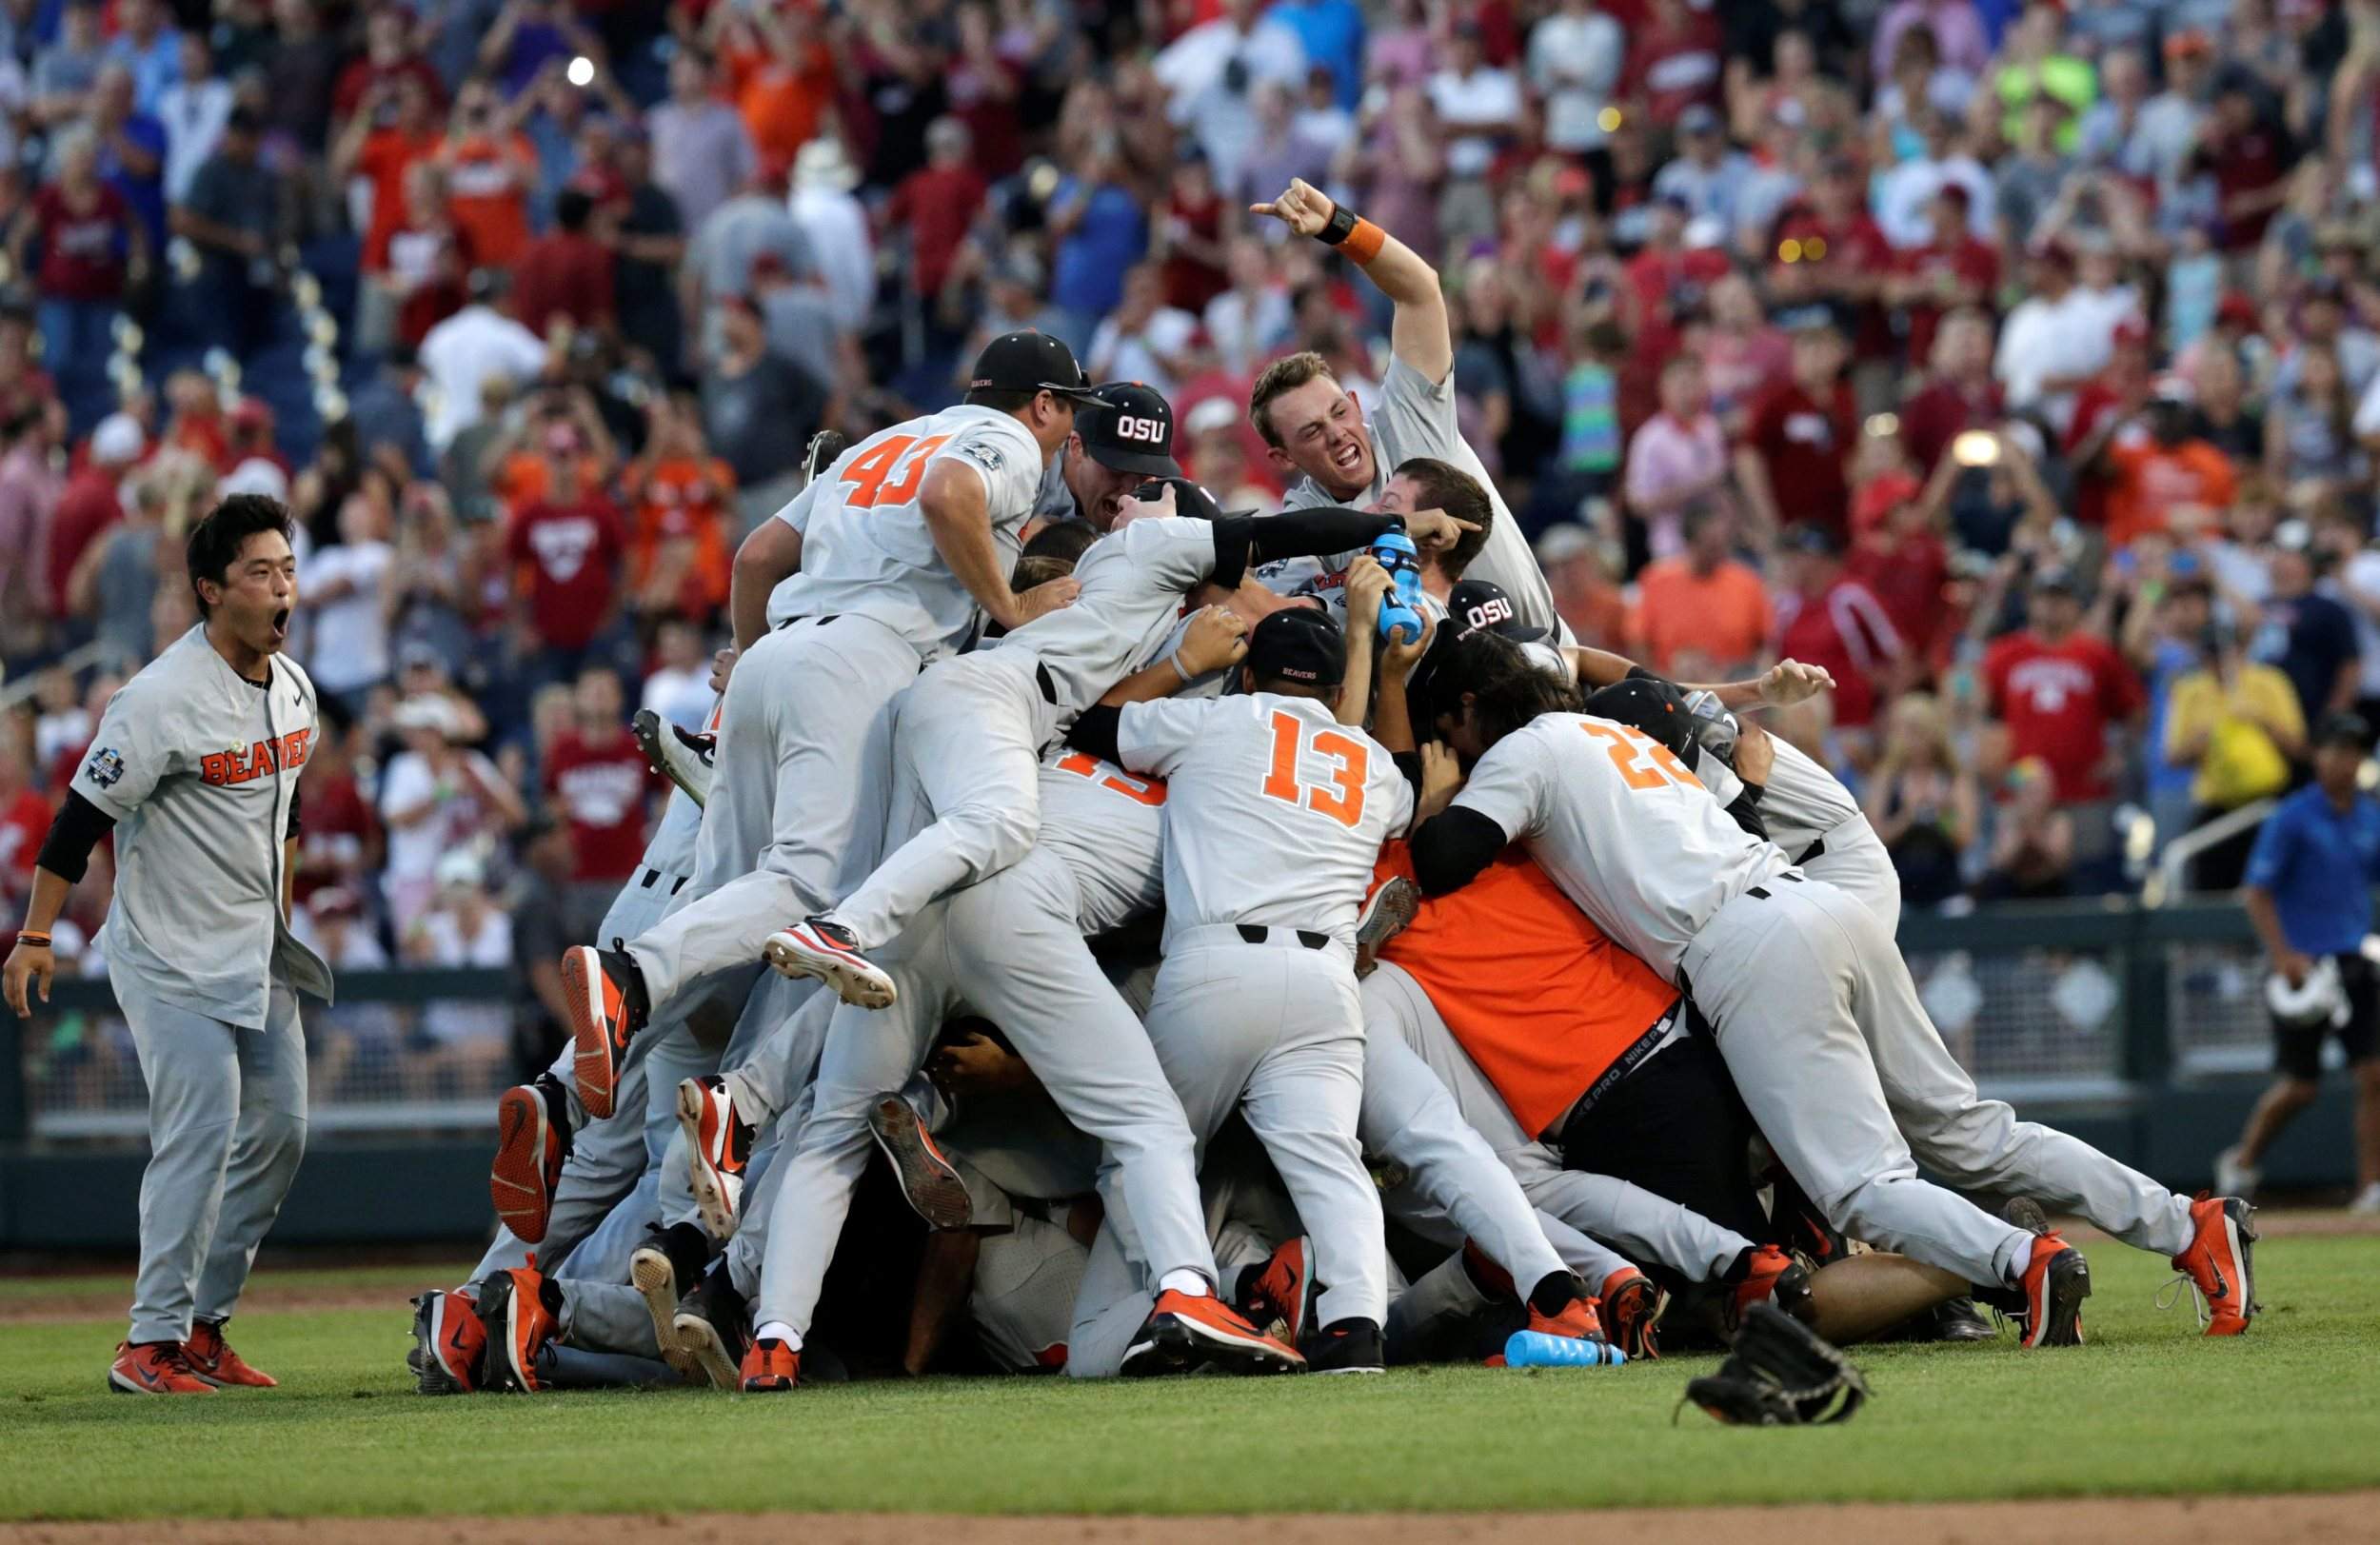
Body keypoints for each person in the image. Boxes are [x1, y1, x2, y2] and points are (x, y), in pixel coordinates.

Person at [1401, 629, 2261, 1338]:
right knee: (1970, 1134)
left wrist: (1441, 793)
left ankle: (2023, 1262)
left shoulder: (1521, 749)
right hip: (1817, 901)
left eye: (1451, 727)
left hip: (1743, 944)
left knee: (1860, 1186)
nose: (1456, 747)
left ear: (1470, 710)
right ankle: (2188, 1224)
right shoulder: (1617, 734)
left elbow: (1443, 862)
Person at [560, 332, 1099, 1123]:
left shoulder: (887, 439)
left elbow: (755, 555)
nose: (1062, 434)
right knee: (809, 885)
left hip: (776, 650)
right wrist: (1011, 607)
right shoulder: (1006, 440)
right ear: (1042, 403)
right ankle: (630, 975)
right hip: (860, 656)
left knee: (725, 892)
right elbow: (950, 494)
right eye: (1065, 412)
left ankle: (566, 1091)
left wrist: (747, 656)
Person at [4, 495, 331, 1396]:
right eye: (260, 572)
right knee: (202, 1126)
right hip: (167, 952)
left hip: (252, 946)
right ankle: (146, 1345)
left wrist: (284, 914)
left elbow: (290, 808)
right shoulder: (158, 697)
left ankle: (200, 1327)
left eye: (288, 569)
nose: (280, 587)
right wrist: (35, 935)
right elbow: (77, 822)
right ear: (210, 589)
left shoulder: (294, 686)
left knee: (284, 1130)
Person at [1246, 177, 1562, 642]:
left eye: (1338, 412)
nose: (1336, 433)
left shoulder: (1408, 420)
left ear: (1355, 403)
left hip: (1548, 649)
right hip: (1448, 703)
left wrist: (1337, 224)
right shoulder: (1301, 524)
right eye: (1311, 431)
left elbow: (1419, 291)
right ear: (1283, 458)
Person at [2217, 713, 2380, 1213]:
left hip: (2355, 958)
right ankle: (2243, 1160)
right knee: (2301, 1085)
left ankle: (2371, 1188)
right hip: (2304, 968)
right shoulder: (2292, 817)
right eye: (2337, 750)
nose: (2347, 761)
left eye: (2355, 751)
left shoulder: (2369, 815)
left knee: (2373, 1073)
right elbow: (2257, 892)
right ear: (2318, 755)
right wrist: (2284, 955)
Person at [2166, 619, 2305, 890]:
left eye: (2225, 653)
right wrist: (2200, 740)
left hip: (2268, 803)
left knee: (2272, 886)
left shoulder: (2269, 681)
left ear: (2241, 650)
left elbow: (2300, 748)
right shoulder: (2189, 690)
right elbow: (2173, 756)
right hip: (2217, 805)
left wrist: (2261, 720)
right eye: (2211, 654)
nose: (2219, 662)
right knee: (2211, 885)